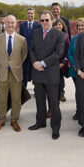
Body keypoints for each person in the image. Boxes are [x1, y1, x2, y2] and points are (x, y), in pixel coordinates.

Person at [28, 10, 65, 140]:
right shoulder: (36, 33)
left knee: (54, 103)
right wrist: (34, 63)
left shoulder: (59, 34)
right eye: (42, 20)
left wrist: (43, 63)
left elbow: (58, 53)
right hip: (37, 72)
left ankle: (55, 128)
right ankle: (40, 122)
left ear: (52, 20)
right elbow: (31, 49)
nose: (44, 22)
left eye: (47, 20)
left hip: (50, 73)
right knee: (39, 100)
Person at [0, 15, 27, 132]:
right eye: (8, 22)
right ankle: (1, 120)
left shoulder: (22, 40)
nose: (10, 25)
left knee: (16, 99)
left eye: (13, 22)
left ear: (16, 24)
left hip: (16, 73)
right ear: (4, 23)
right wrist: (3, 66)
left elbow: (23, 56)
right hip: (2, 73)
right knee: (2, 98)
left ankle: (14, 119)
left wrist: (14, 65)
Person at [68, 18, 84, 120]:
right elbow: (70, 53)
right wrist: (76, 65)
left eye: (82, 25)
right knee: (78, 91)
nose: (80, 27)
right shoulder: (74, 39)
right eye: (79, 26)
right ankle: (78, 111)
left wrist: (82, 66)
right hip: (75, 70)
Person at [18, 8, 41, 89]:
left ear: (34, 15)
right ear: (26, 14)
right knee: (24, 71)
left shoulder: (39, 26)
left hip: (35, 53)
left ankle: (37, 89)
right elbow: (20, 39)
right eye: (28, 13)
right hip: (24, 52)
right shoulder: (22, 25)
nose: (30, 15)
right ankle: (23, 89)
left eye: (31, 13)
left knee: (35, 71)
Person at [53, 18, 70, 104]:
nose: (58, 26)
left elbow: (68, 50)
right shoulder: (50, 35)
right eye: (56, 25)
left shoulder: (66, 36)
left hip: (62, 61)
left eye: (59, 24)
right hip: (52, 62)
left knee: (60, 79)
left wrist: (64, 62)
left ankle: (61, 94)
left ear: (62, 26)